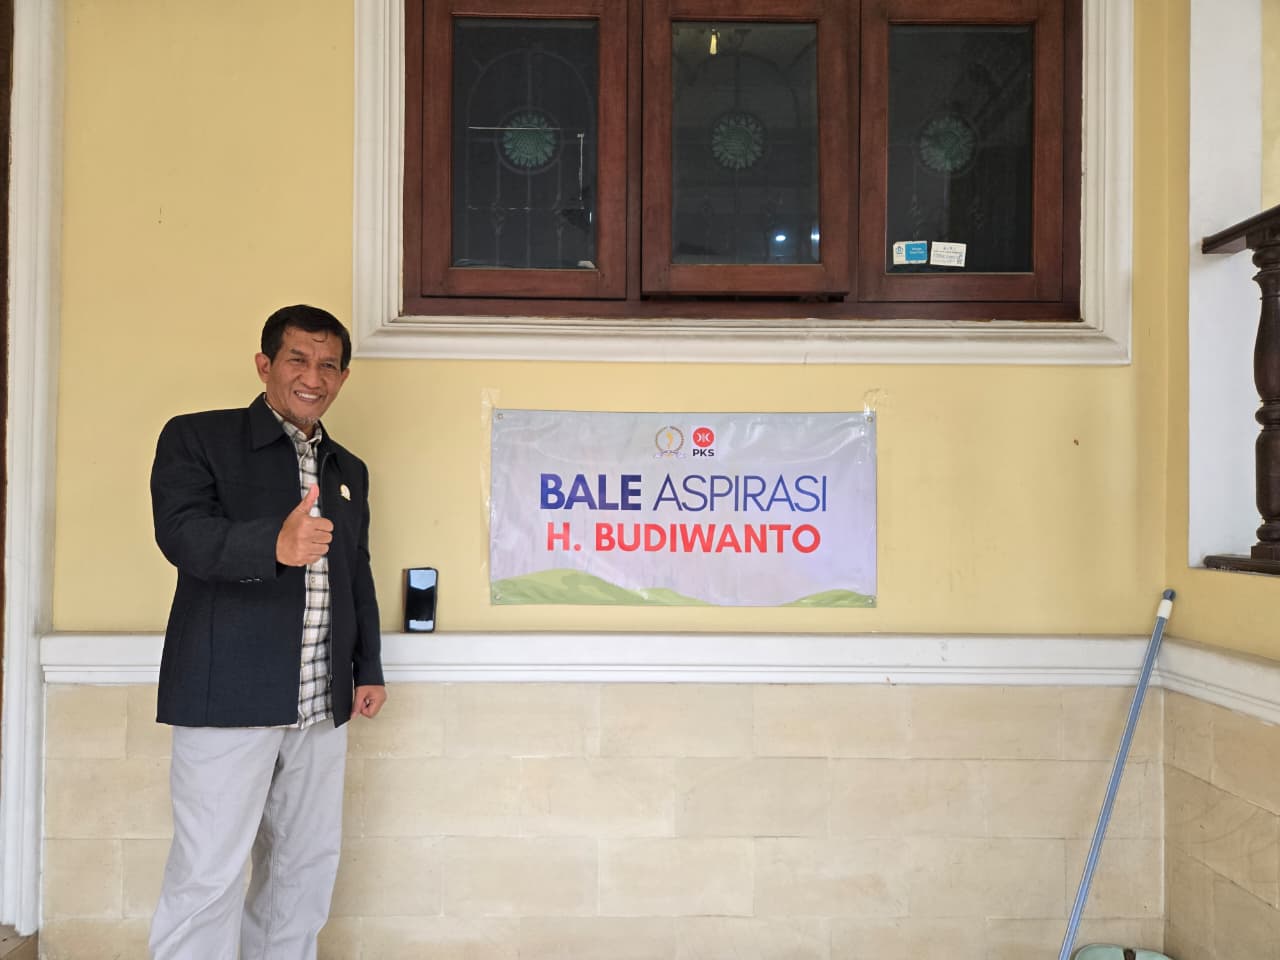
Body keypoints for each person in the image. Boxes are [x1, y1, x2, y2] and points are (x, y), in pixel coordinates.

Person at [147, 304, 386, 959]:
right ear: (264, 365)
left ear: (342, 378)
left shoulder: (347, 469)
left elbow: (355, 570)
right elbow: (182, 534)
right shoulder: (197, 437)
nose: (314, 377)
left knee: (302, 871)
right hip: (225, 695)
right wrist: (273, 545)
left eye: (329, 365)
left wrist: (367, 667)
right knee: (208, 874)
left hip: (320, 703)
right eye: (297, 360)